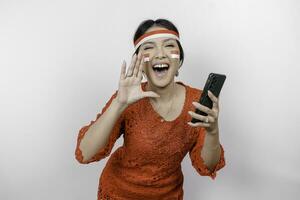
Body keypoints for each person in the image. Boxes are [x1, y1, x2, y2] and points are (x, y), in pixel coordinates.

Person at [75, 18, 226, 200]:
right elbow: (85, 154)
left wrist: (213, 131)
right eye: (149, 47)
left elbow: (208, 166)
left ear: (179, 63)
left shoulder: (197, 101)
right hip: (118, 193)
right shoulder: (128, 97)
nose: (160, 54)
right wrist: (119, 103)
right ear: (140, 64)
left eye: (169, 45)